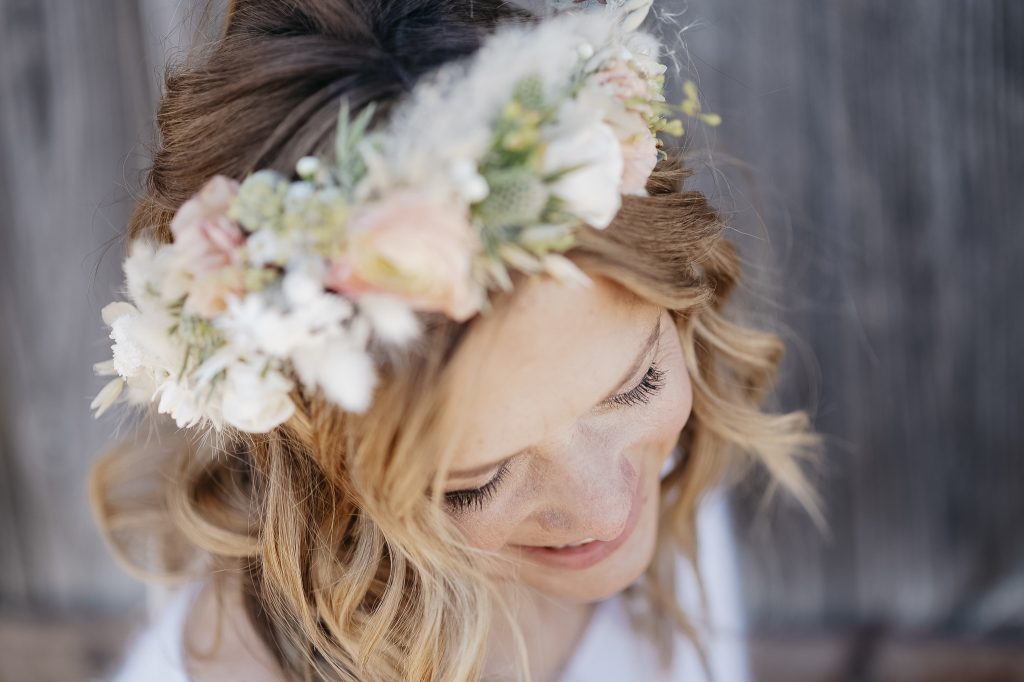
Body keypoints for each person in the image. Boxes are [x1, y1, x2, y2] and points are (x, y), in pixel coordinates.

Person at [89, 1, 820, 680]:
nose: (609, 509)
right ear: (327, 471)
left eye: (638, 384)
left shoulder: (664, 465)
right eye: (479, 481)